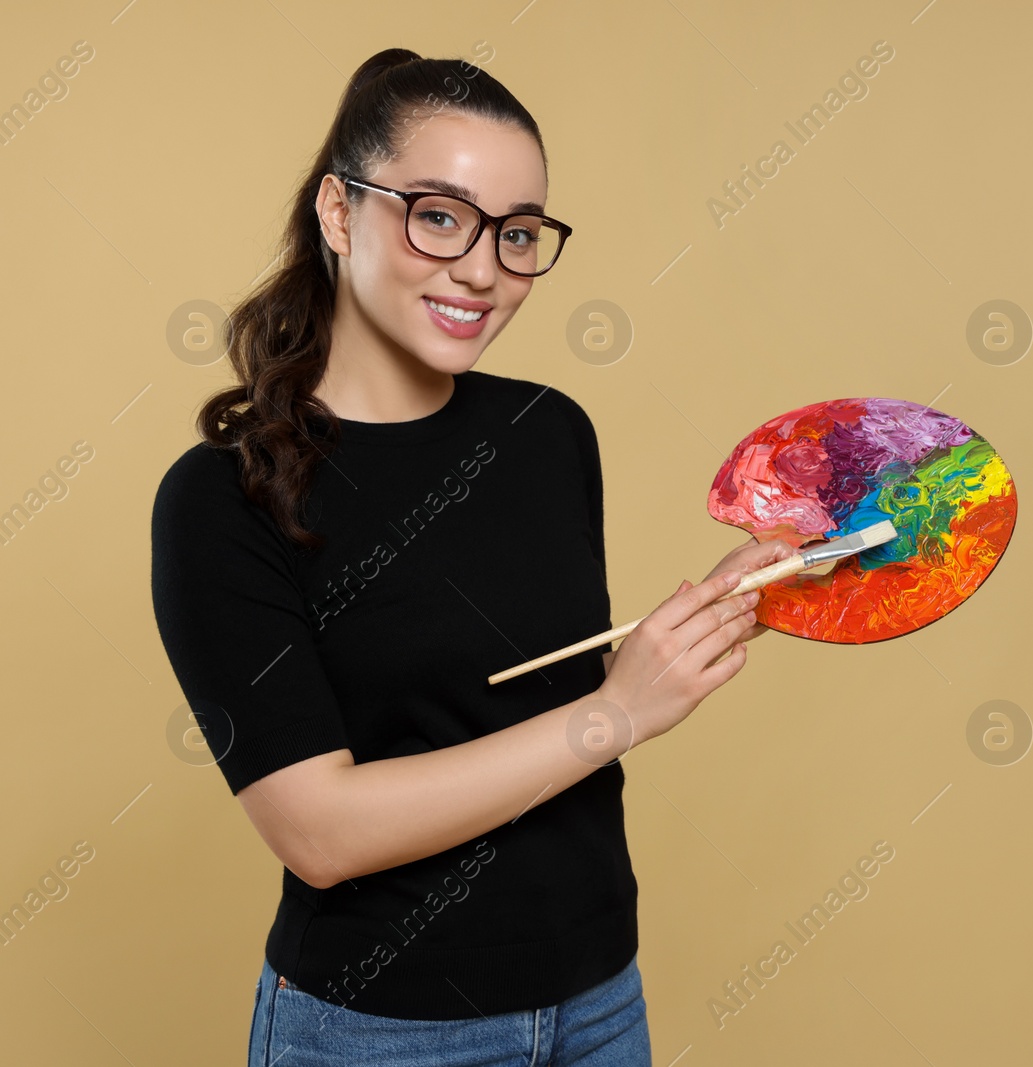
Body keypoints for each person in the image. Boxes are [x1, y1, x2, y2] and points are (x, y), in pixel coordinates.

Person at [148, 47, 795, 1066]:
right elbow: (320, 832)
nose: (484, 267)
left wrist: (708, 614)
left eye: (518, 232)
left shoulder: (548, 431)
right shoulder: (220, 500)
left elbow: (521, 692)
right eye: (439, 215)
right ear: (338, 211)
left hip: (599, 1002)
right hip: (378, 1031)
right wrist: (616, 712)